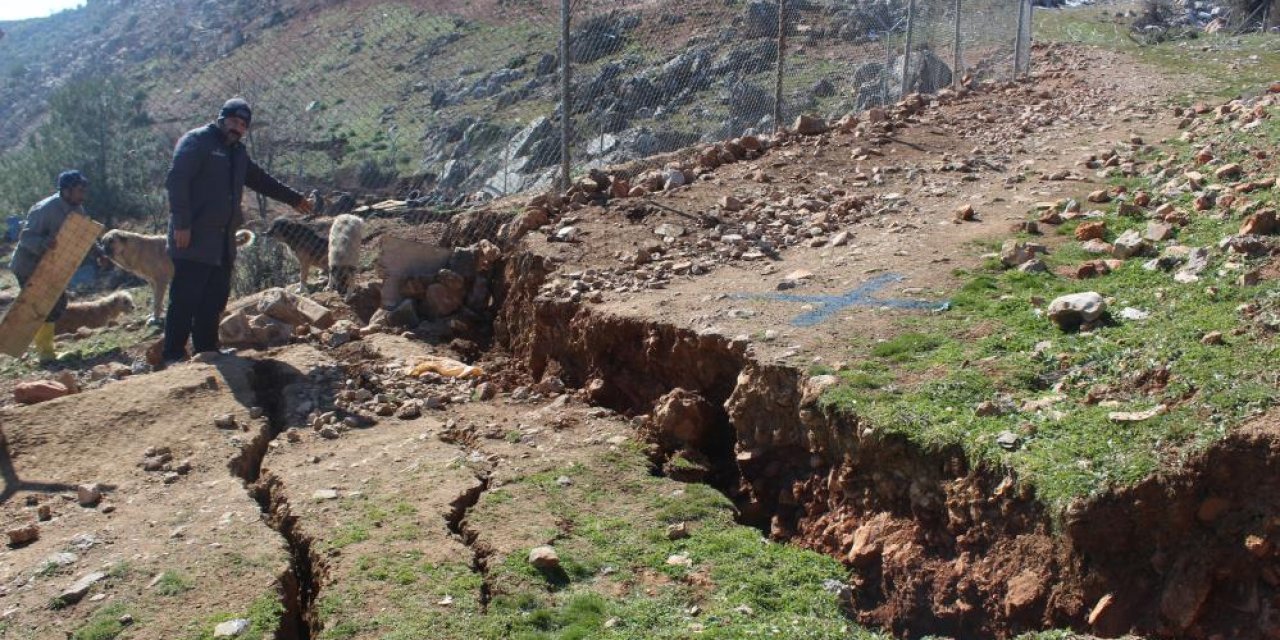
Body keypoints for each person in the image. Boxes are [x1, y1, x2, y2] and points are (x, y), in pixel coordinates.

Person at [161, 98, 312, 364]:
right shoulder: (197, 142)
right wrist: (182, 224)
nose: (237, 127)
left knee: (215, 297)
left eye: (243, 124)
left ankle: (206, 349)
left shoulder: (238, 153)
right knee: (185, 297)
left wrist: (294, 198)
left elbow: (261, 180)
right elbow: (177, 180)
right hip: (193, 237)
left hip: (222, 242)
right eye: (233, 121)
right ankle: (172, 354)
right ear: (221, 118)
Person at [8, 170, 89, 363]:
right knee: (43, 306)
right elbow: (26, 238)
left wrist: (99, 253)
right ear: (67, 191)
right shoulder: (44, 209)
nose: (82, 194)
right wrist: (45, 243)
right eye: (79, 190)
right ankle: (44, 354)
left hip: (50, 265)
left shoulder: (77, 209)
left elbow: (83, 234)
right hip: (28, 265)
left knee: (57, 303)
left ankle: (45, 350)